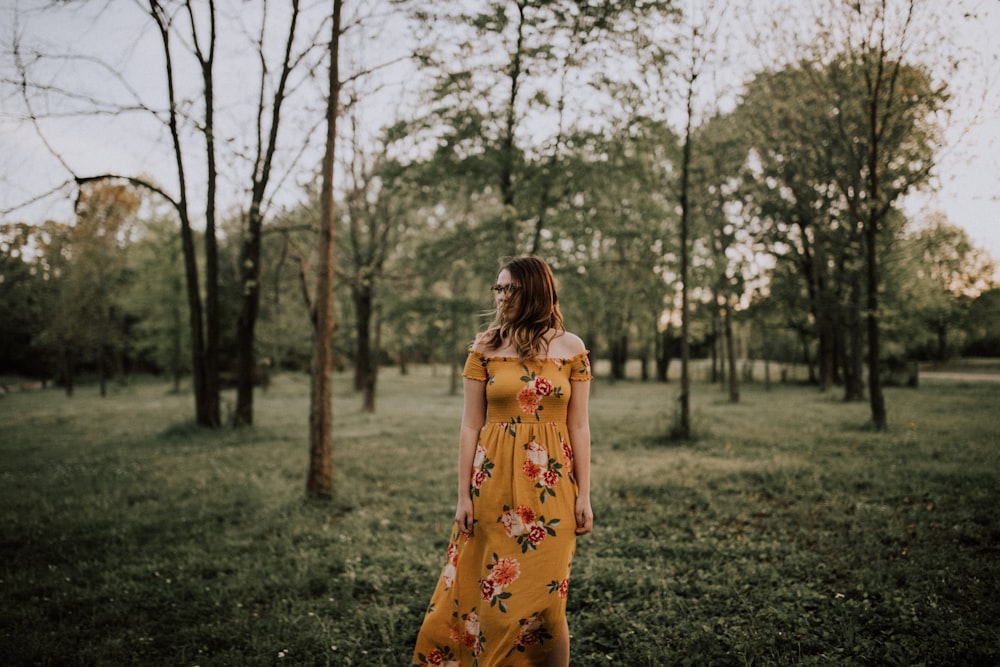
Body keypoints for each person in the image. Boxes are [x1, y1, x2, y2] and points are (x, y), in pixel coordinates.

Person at [412, 255, 593, 667]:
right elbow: (469, 425)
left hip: (553, 491)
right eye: (499, 288)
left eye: (510, 288)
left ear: (534, 291)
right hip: (492, 488)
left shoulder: (571, 348)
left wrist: (584, 494)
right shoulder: (485, 347)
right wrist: (463, 496)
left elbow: (579, 427)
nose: (502, 296)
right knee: (493, 598)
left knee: (549, 603)